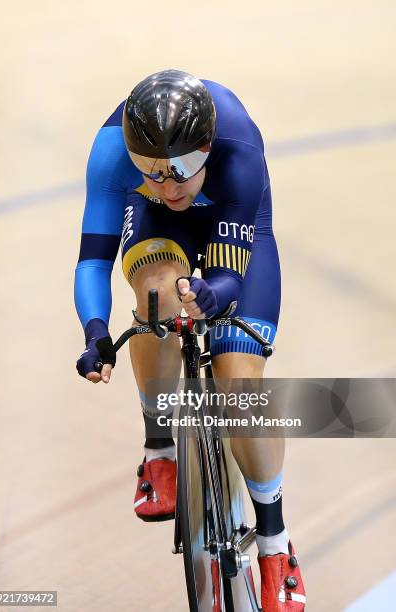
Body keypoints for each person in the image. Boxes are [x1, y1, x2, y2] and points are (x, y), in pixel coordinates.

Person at [75, 69, 306, 611]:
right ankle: (159, 447)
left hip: (234, 222)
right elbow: (92, 258)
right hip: (159, 230)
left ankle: (275, 544)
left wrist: (215, 294)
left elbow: (228, 281)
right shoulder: (113, 154)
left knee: (239, 390)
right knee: (156, 298)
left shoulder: (238, 148)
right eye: (152, 174)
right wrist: (94, 331)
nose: (168, 187)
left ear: (205, 149)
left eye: (180, 172)